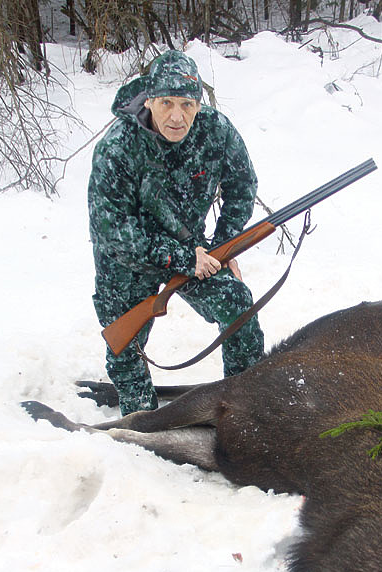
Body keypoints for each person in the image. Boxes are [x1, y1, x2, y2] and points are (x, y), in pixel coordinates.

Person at [88, 50, 264, 415]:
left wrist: (224, 247)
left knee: (238, 306)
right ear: (149, 98)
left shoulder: (216, 131)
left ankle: (246, 406)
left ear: (198, 104)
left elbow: (242, 184)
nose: (176, 115)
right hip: (127, 262)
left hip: (193, 252)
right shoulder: (117, 148)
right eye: (166, 102)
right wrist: (184, 258)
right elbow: (114, 233)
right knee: (125, 346)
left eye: (187, 104)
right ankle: (141, 420)